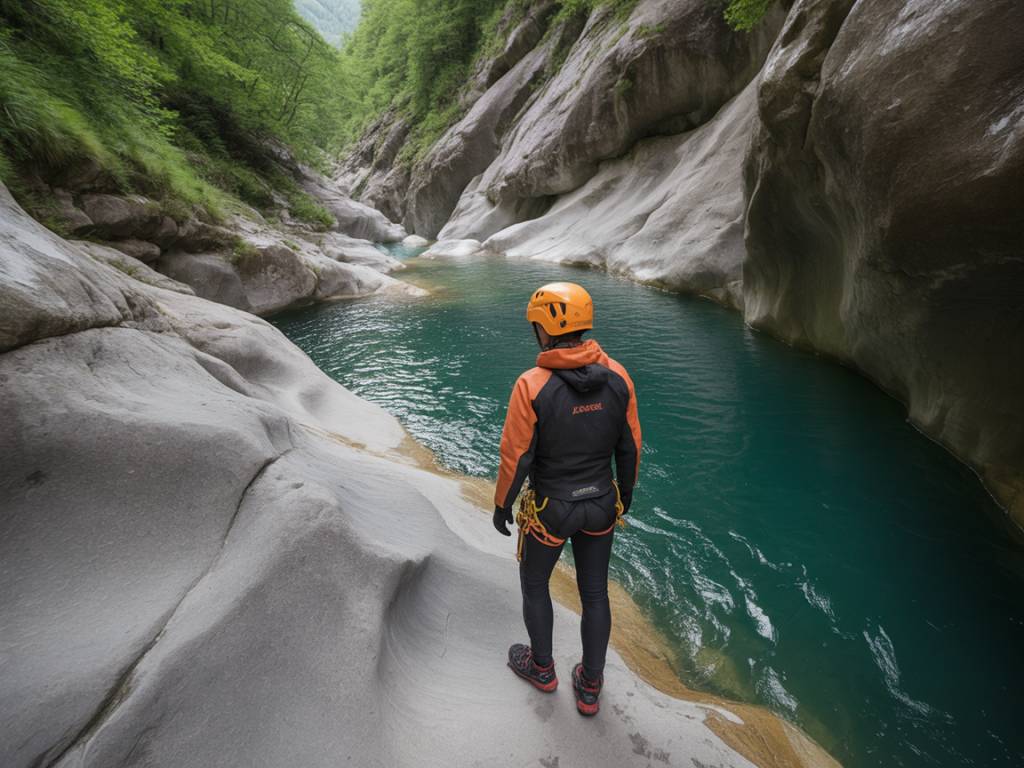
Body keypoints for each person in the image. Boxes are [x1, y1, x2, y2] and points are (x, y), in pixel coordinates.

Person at [492, 281, 641, 716]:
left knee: (535, 585)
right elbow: (630, 445)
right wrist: (625, 494)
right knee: (595, 593)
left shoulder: (532, 384)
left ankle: (542, 668)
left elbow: (516, 456)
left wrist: (502, 506)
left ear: (544, 328)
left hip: (550, 510)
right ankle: (590, 684)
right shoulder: (619, 375)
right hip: (601, 503)